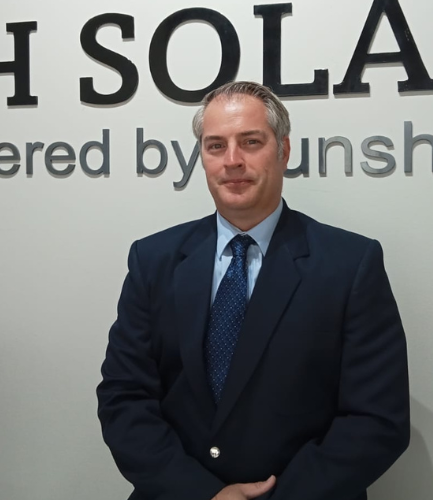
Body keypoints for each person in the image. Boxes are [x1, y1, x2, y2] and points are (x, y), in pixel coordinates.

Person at [97, 81, 410, 500]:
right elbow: (124, 397)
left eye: (251, 142)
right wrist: (202, 494)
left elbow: (376, 419)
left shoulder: (350, 265)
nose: (232, 161)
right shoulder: (153, 259)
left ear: (284, 150)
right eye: (215, 146)